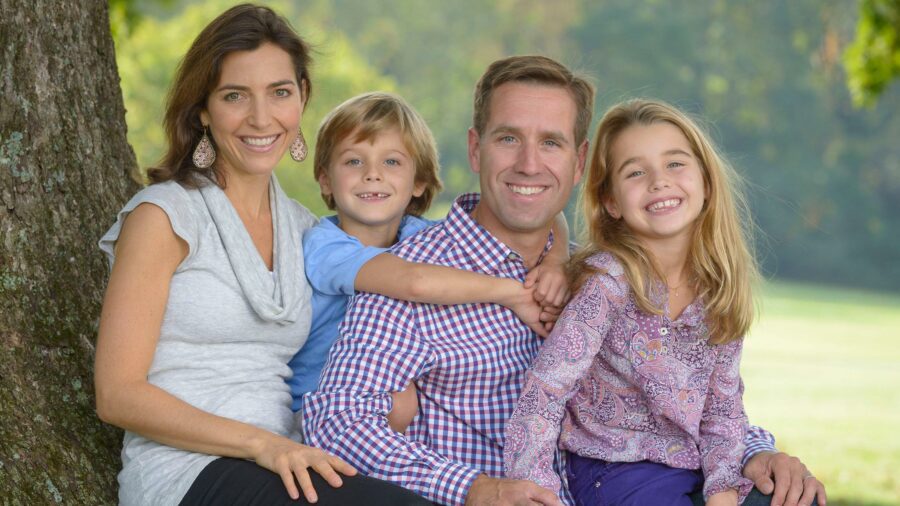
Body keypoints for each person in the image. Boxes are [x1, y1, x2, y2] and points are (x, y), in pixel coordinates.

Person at [303, 56, 826, 506]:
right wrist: (473, 487)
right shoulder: (418, 273)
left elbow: (665, 397)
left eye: (551, 143)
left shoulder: (601, 276)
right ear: (476, 149)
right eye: (509, 138)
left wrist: (758, 452)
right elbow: (337, 419)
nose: (530, 164)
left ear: (578, 162)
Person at [93, 5, 430, 505]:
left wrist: (553, 253)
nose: (260, 117)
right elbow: (117, 394)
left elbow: (434, 255)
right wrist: (261, 444)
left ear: (301, 98)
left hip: (290, 460)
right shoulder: (163, 217)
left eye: (279, 93)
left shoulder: (306, 231)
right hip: (187, 473)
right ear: (203, 109)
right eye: (235, 96)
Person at [503, 98, 805, 506]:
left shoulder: (718, 290)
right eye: (636, 172)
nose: (659, 181)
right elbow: (544, 392)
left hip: (691, 465)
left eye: (675, 164)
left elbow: (722, 414)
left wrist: (722, 495)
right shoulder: (607, 283)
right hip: (612, 469)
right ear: (611, 201)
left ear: (707, 181)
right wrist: (536, 491)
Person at [287, 92, 571, 429]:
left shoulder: (422, 235)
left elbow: (542, 213)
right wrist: (511, 293)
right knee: (402, 399)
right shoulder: (325, 245)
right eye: (353, 161)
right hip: (320, 402)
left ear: (419, 182)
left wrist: (557, 260)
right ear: (325, 179)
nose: (372, 174)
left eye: (391, 162)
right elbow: (414, 282)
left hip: (398, 386)